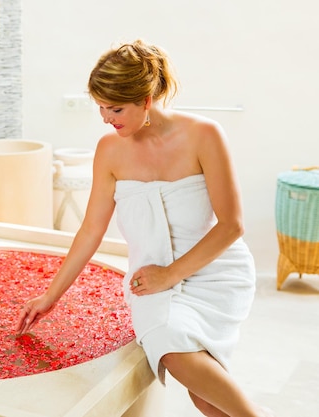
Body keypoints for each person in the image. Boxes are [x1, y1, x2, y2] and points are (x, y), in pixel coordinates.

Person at [16, 40, 274, 417]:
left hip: (214, 272)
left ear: (147, 99)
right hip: (149, 279)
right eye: (101, 107)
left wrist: (169, 275)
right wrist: (50, 296)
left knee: (196, 381)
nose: (106, 117)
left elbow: (232, 226)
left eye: (116, 108)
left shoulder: (204, 135)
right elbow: (91, 230)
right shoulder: (109, 150)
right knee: (201, 389)